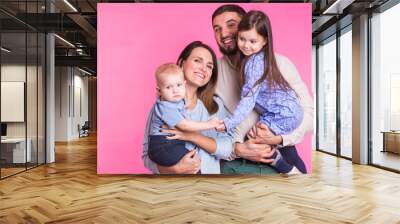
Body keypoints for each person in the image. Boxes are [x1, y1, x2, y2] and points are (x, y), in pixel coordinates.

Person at [211, 5, 314, 174]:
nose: (224, 34)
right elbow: (207, 124)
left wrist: (279, 138)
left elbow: (308, 114)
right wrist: (237, 147)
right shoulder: (212, 71)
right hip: (238, 162)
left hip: (282, 149)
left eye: (231, 25)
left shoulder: (279, 63)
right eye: (217, 29)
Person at [142, 41, 234, 174]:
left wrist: (191, 136)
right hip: (175, 190)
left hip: (208, 189)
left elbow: (227, 149)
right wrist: (175, 169)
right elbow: (147, 155)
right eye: (197, 61)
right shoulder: (163, 106)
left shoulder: (216, 105)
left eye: (209, 66)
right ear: (181, 63)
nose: (204, 68)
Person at [147, 63, 220, 168]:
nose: (175, 90)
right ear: (159, 91)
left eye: (179, 85)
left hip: (172, 143)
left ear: (184, 84)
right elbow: (185, 126)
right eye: (168, 87)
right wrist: (210, 124)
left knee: (193, 161)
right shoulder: (166, 106)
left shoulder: (179, 101)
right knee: (191, 162)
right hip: (162, 145)